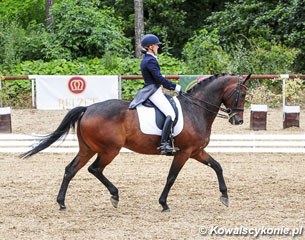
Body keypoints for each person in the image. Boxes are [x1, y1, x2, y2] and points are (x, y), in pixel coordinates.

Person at [129, 34, 181, 155]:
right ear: (151, 47)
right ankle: (164, 144)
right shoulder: (150, 60)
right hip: (153, 91)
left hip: (154, 89)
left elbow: (156, 76)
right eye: (156, 45)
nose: (158, 47)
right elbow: (158, 79)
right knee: (171, 114)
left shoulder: (149, 59)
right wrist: (174, 86)